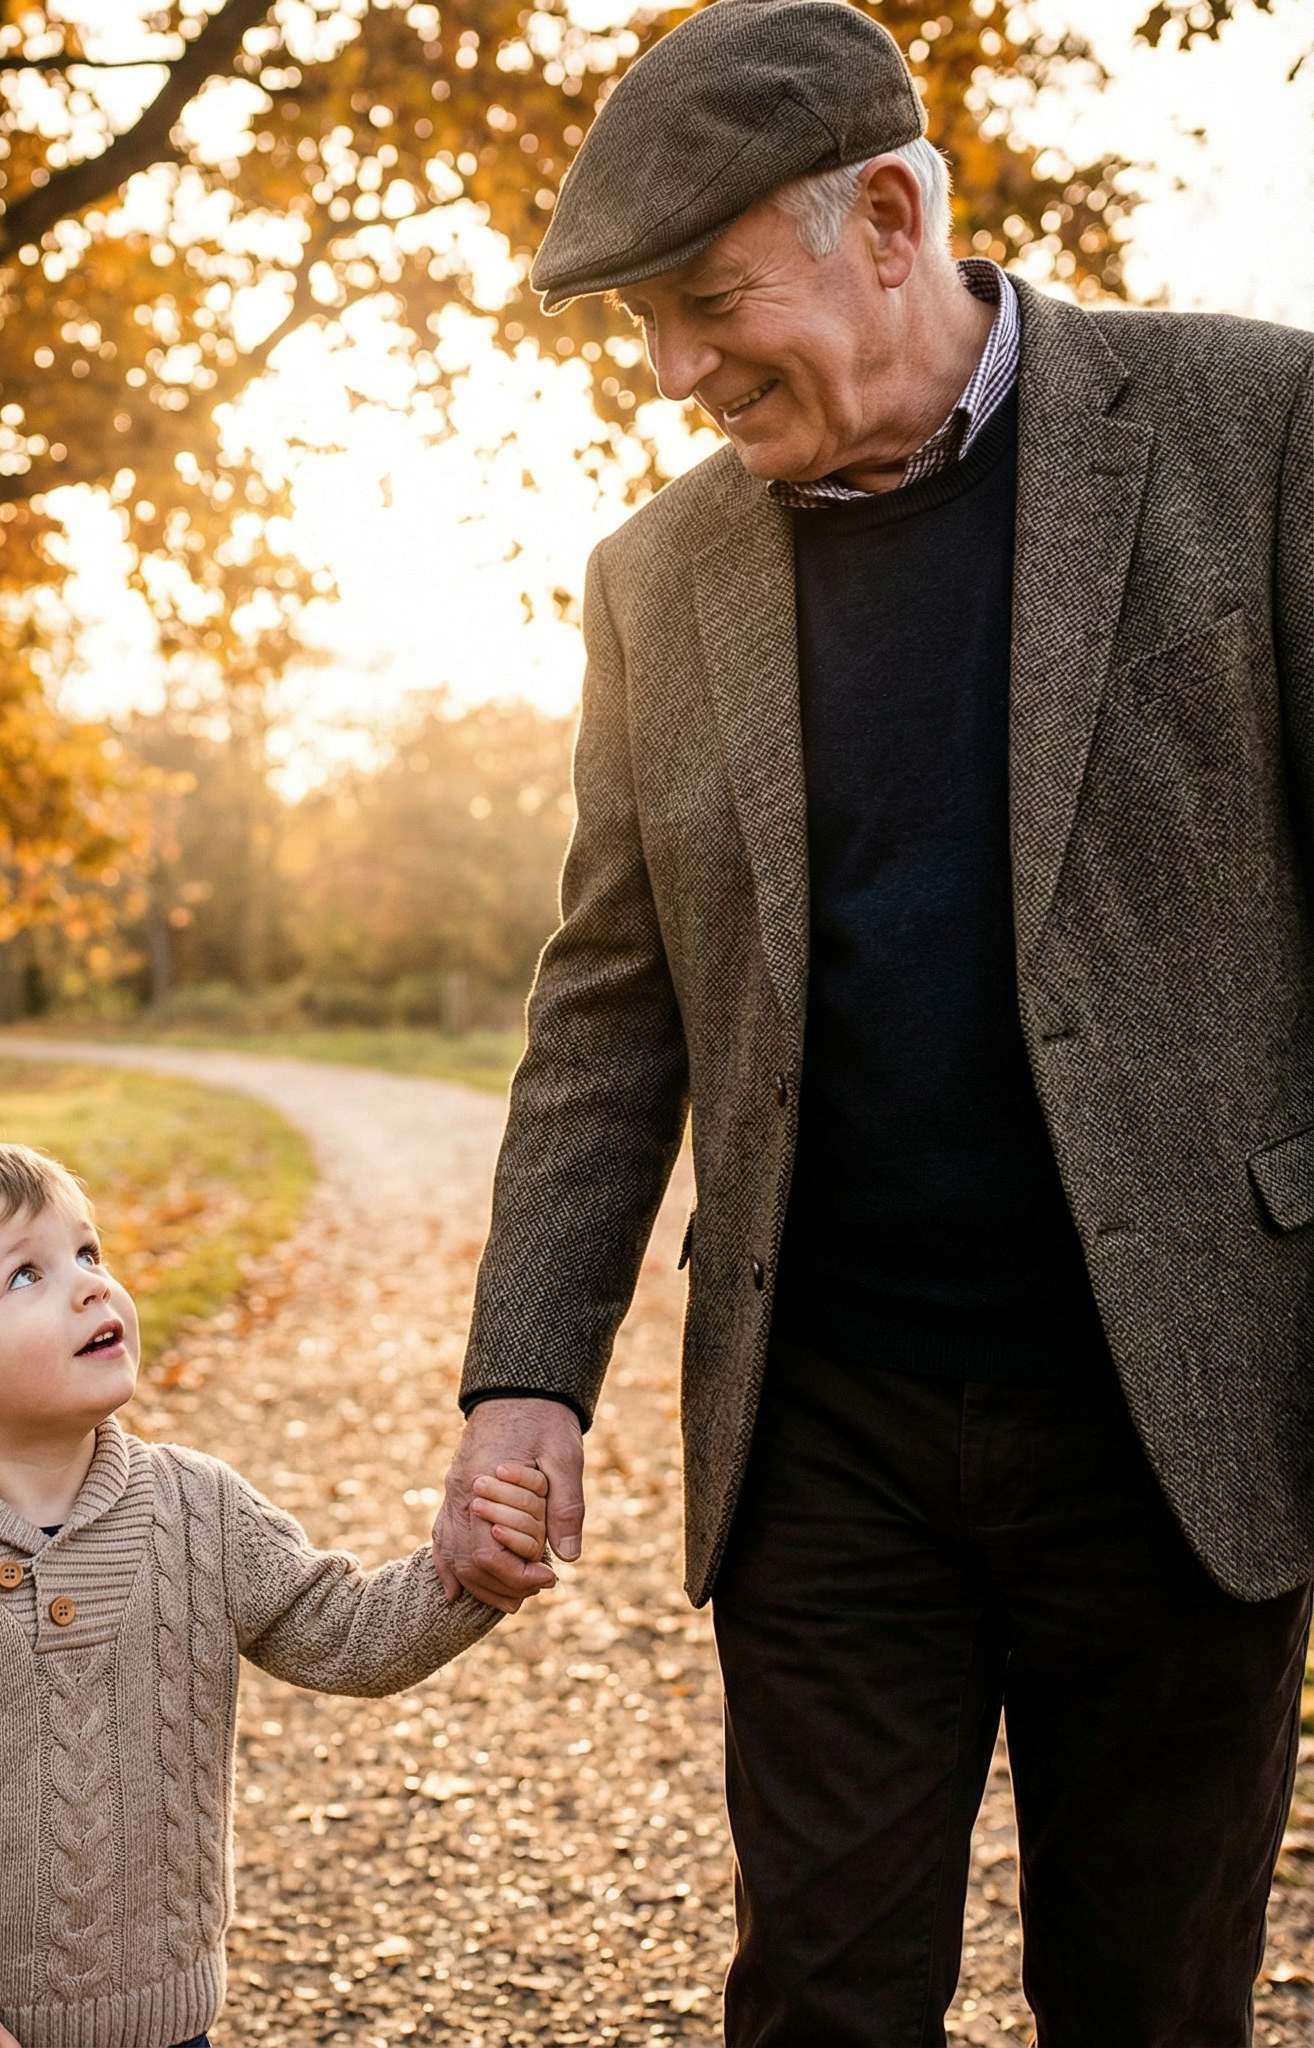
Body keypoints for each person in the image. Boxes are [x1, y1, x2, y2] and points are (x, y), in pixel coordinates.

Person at [429, 0, 1314, 2038]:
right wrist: (523, 1375)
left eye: (709, 299)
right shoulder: (654, 578)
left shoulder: (1251, 432)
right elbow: (606, 1003)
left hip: (1174, 1411)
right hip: (832, 1435)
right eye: (639, 322)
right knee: (820, 1998)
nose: (671, 371)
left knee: (1150, 1999)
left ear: (891, 215)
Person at [0, 1139, 549, 2048]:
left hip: (167, 2030)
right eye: (26, 1276)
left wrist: (470, 1569)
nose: (92, 1287)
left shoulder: (196, 1507)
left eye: (88, 1254)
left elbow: (344, 1633)